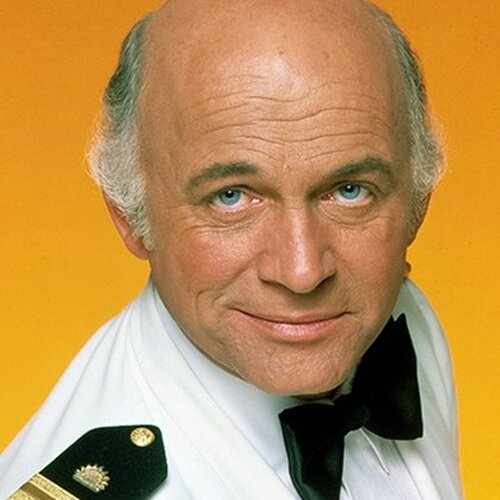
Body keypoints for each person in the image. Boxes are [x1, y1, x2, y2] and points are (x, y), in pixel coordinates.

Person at [0, 0, 462, 498]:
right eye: (231, 197)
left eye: (350, 191)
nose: (303, 272)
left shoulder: (404, 323)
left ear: (419, 198)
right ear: (129, 214)